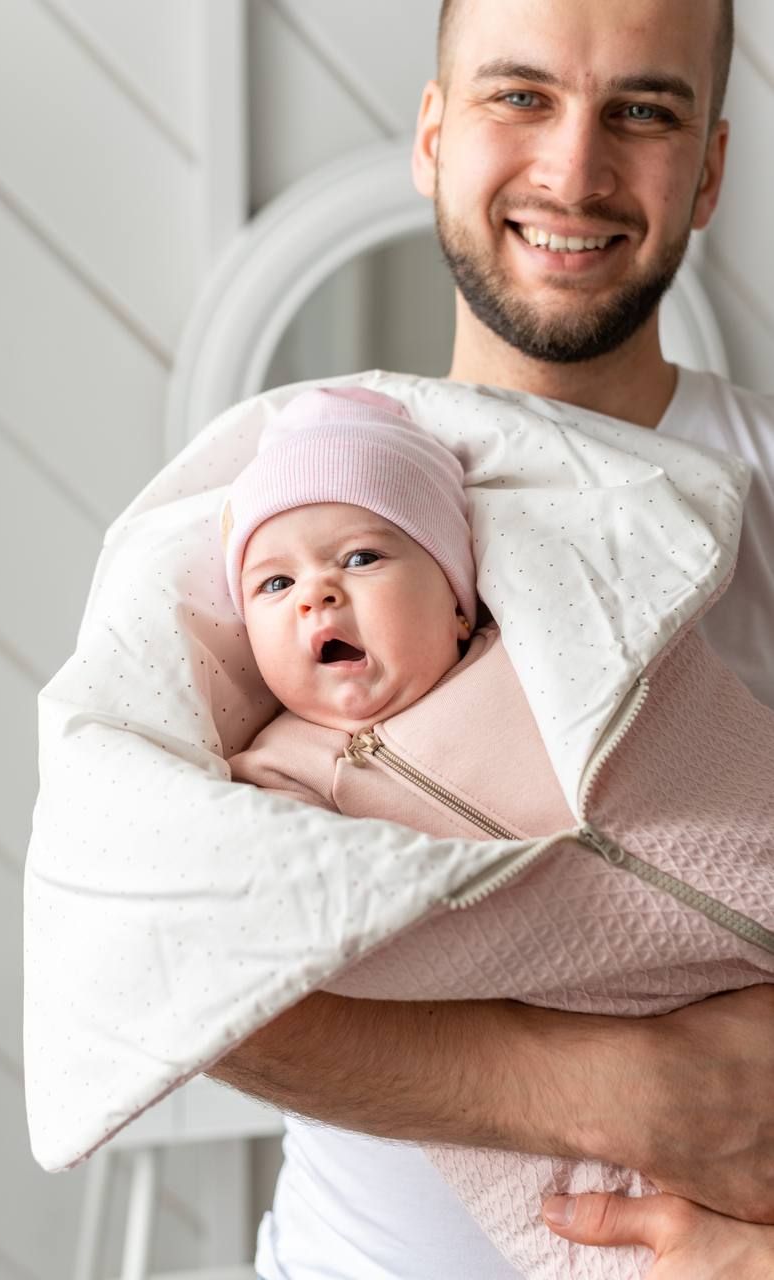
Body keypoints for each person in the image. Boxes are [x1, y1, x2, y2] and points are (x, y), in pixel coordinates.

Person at [204, 1, 774, 1277]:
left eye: (643, 110)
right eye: (520, 95)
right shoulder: (271, 523)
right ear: (432, 134)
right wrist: (632, 1090)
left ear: (709, 172)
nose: (574, 169)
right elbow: (155, 955)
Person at [219, 382, 774, 1278]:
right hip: (557, 1059)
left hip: (713, 939)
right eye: (274, 584)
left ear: (455, 599)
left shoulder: (539, 654)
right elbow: (252, 908)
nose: (316, 595)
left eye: (361, 558)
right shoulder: (282, 770)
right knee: (612, 1230)